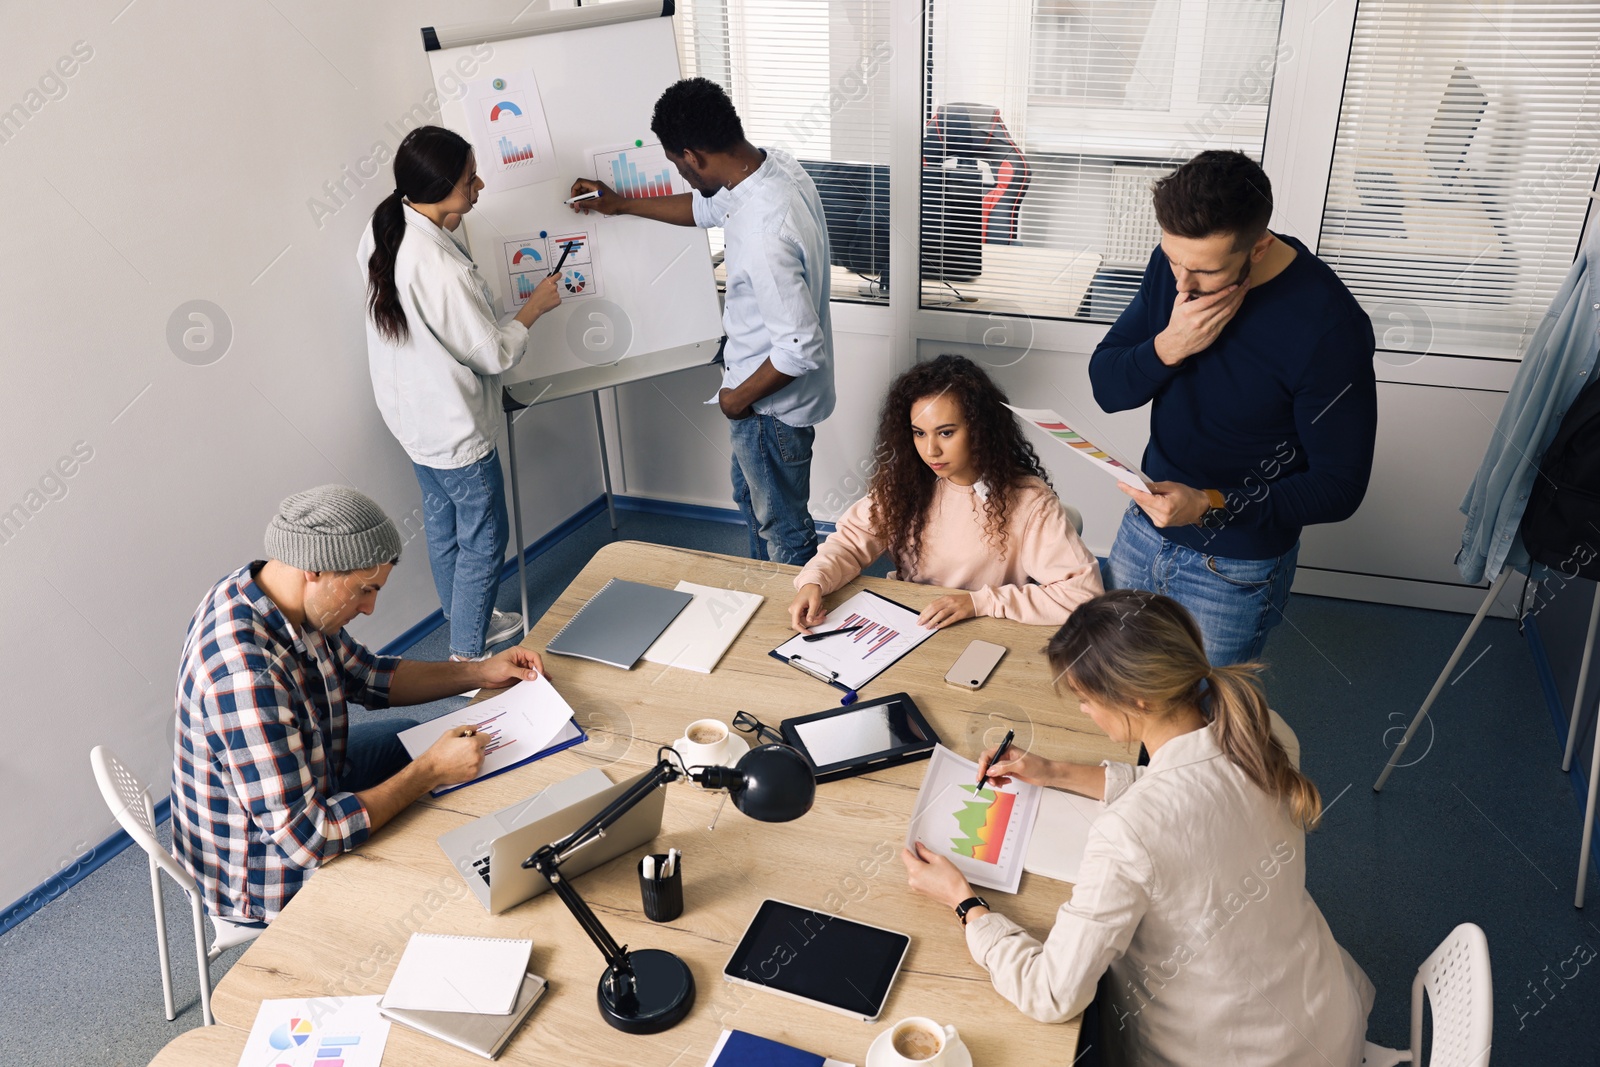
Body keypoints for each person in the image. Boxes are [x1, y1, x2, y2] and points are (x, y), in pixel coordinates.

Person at [900, 590, 1374, 1065]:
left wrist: (965, 903)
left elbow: (1050, 994)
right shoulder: (1263, 730)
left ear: (1136, 698)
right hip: (1323, 1016)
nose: (1082, 711)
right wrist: (1054, 772)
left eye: (1085, 698)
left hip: (1232, 1051)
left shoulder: (1127, 832)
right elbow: (1189, 788)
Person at [170, 485, 547, 923]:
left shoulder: (274, 592)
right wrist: (428, 773)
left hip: (307, 784)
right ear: (314, 570)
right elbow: (311, 840)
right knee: (432, 843)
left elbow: (367, 676)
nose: (369, 608)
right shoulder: (244, 679)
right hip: (266, 874)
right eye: (364, 590)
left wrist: (479, 672)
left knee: (403, 737)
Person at [1089, 150, 1377, 666]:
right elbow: (1109, 388)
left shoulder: (1329, 326)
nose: (1182, 283)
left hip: (1234, 565)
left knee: (1204, 724)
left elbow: (1340, 486)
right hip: (1142, 532)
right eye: (1172, 259)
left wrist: (1210, 502)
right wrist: (1169, 346)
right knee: (1117, 691)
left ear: (1260, 248)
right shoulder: (1177, 264)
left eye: (1203, 271)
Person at [570, 77, 833, 565]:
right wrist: (620, 202)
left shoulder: (763, 231)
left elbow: (800, 347)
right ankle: (766, 604)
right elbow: (703, 208)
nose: (681, 175)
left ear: (692, 154)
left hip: (767, 409)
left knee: (785, 531)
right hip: (761, 401)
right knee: (755, 509)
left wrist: (735, 400)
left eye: (676, 163)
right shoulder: (771, 169)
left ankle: (795, 630)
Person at [360, 125, 564, 661]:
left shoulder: (388, 223)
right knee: (484, 538)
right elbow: (492, 352)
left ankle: (464, 619)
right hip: (452, 429)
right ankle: (468, 656)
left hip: (413, 420)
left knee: (444, 523)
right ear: (441, 187)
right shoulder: (440, 269)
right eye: (470, 179)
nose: (480, 186)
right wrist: (533, 309)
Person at [789, 355, 1101, 631]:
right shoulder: (907, 481)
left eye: (946, 433)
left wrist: (980, 603)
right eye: (919, 433)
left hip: (986, 628)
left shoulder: (1029, 502)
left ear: (980, 430)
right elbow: (850, 543)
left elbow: (1084, 594)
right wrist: (815, 579)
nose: (931, 450)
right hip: (912, 620)